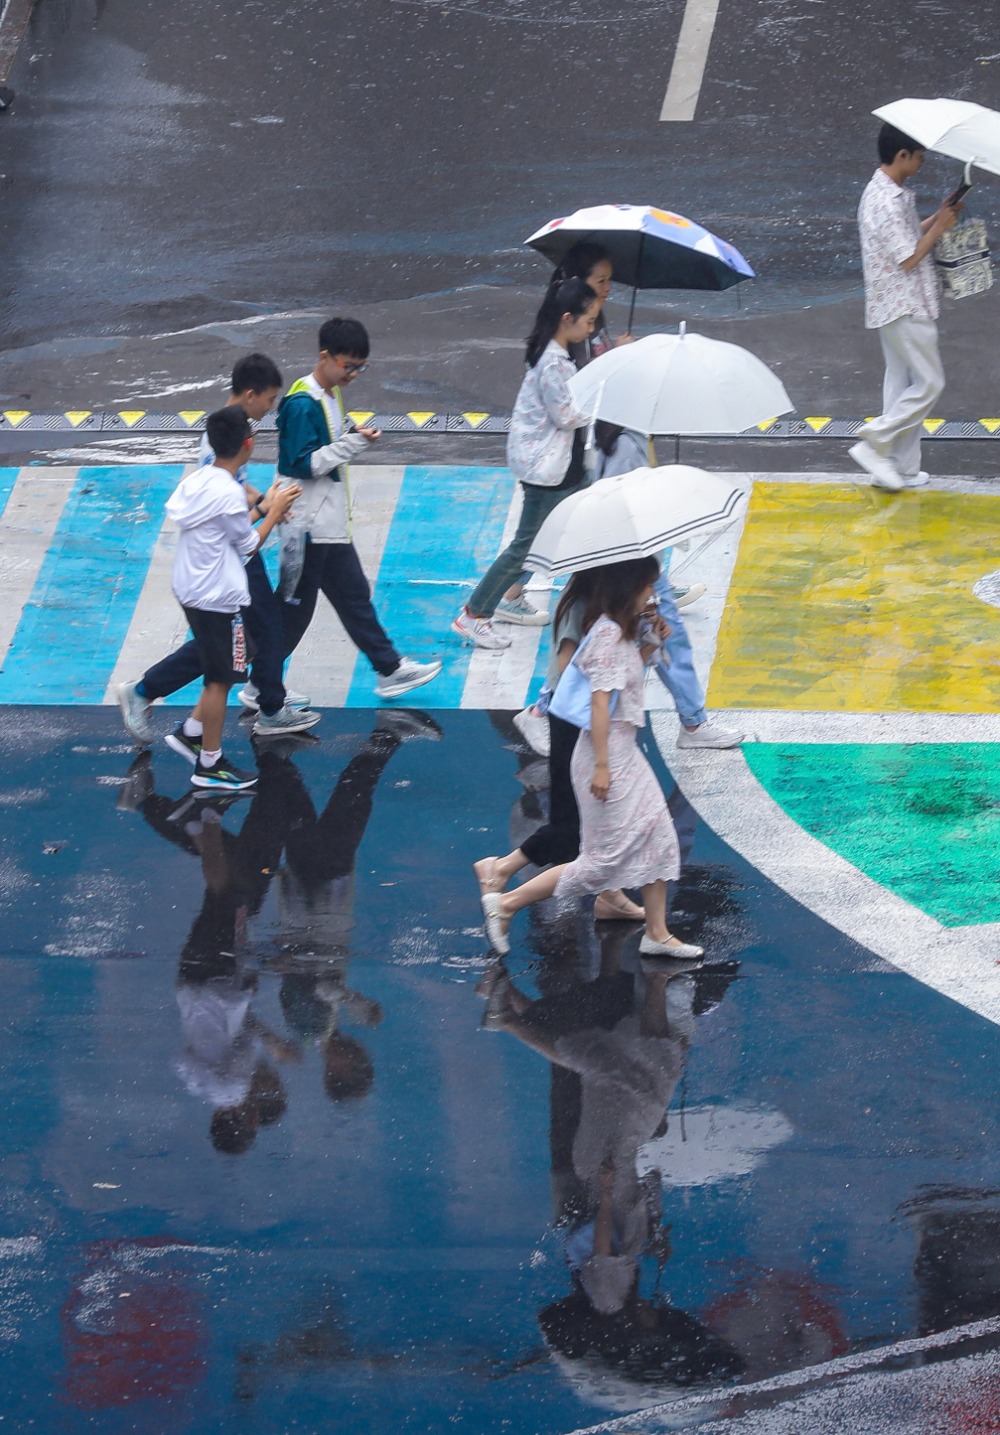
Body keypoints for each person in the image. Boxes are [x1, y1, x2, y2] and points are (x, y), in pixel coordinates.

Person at [479, 558, 704, 962]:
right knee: (599, 860)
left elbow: (628, 672)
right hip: (607, 756)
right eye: (647, 587)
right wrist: (601, 766)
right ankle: (508, 902)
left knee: (658, 836)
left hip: (624, 752)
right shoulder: (604, 634)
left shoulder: (621, 631)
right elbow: (598, 704)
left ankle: (657, 932)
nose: (652, 596)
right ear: (626, 587)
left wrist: (653, 641)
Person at [118, 354, 321, 750]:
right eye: (268, 400)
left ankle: (266, 697)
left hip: (227, 553)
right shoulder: (223, 440)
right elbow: (232, 512)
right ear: (250, 394)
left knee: (250, 635)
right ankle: (154, 693)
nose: (269, 410)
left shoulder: (227, 431)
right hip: (231, 556)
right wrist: (268, 511)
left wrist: (264, 501)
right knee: (244, 636)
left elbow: (237, 486)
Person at [276, 317, 441, 699]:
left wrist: (351, 437)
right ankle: (260, 683)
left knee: (352, 598)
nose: (353, 374)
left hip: (326, 525)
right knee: (294, 614)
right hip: (307, 528)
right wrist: (354, 444)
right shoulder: (304, 403)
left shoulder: (330, 395)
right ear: (325, 356)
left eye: (359, 367)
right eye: (348, 365)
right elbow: (302, 464)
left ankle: (389, 668)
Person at [475, 568, 646, 923]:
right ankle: (502, 870)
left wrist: (648, 639)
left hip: (595, 724)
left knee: (601, 820)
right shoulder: (580, 606)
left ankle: (610, 895)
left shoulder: (610, 608)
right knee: (573, 826)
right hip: (576, 724)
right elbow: (569, 669)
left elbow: (622, 668)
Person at [452, 278, 599, 651]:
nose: (591, 328)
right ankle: (474, 613)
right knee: (525, 549)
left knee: (578, 531)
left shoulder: (557, 356)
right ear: (567, 318)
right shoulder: (552, 361)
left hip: (561, 466)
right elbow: (566, 414)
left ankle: (600, 601)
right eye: (588, 321)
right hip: (545, 470)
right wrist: (601, 397)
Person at [160, 405, 300, 790]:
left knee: (244, 650)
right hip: (214, 595)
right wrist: (274, 510)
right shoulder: (229, 493)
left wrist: (260, 506)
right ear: (248, 445)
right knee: (220, 679)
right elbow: (249, 545)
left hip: (190, 587)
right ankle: (210, 763)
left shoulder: (199, 480)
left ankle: (191, 730)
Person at [849, 122, 961, 491]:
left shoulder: (888, 193)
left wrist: (936, 218)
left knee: (901, 383)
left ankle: (901, 467)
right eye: (918, 155)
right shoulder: (886, 200)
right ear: (902, 156)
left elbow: (907, 236)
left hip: (894, 304)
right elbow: (909, 257)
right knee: (930, 382)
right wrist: (939, 227)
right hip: (905, 303)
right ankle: (874, 442)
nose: (922, 161)